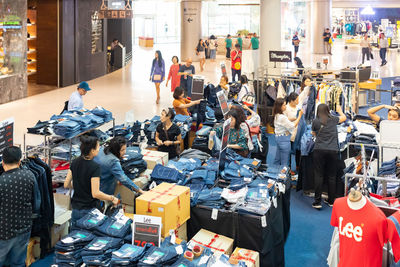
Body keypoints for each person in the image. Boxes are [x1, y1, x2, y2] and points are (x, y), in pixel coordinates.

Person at [64, 135, 119, 228]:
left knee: (74, 237)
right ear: (92, 151)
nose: (99, 149)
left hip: (76, 209)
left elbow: (66, 184)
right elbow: (95, 193)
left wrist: (79, 185)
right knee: (87, 237)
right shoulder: (95, 167)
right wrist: (112, 198)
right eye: (98, 147)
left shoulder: (75, 162)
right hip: (89, 210)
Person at [0, 146, 35, 266]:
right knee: (18, 263)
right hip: (23, 228)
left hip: (3, 232)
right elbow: (37, 201)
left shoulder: (1, 181)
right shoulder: (30, 176)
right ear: (19, 162)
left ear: (3, 162)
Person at [312, 104, 346, 209]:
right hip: (333, 151)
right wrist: (340, 110)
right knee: (332, 176)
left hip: (319, 150)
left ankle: (317, 202)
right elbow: (344, 118)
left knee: (318, 175)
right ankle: (331, 200)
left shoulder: (316, 121)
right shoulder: (333, 119)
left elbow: (313, 133)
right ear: (328, 111)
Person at [273, 98, 303, 167]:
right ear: (279, 106)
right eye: (284, 105)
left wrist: (294, 118)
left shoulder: (277, 115)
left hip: (278, 139)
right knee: (285, 163)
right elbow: (293, 126)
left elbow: (285, 121)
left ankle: (274, 175)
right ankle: (283, 176)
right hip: (284, 141)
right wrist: (299, 116)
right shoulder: (282, 117)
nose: (285, 106)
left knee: (277, 159)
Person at [284, 92, 301, 171]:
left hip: (298, 131)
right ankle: (289, 168)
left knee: (298, 149)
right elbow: (284, 120)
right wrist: (295, 119)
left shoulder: (298, 108)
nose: (298, 101)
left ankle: (298, 166)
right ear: (291, 100)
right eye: (297, 100)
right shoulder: (286, 108)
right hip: (289, 132)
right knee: (289, 151)